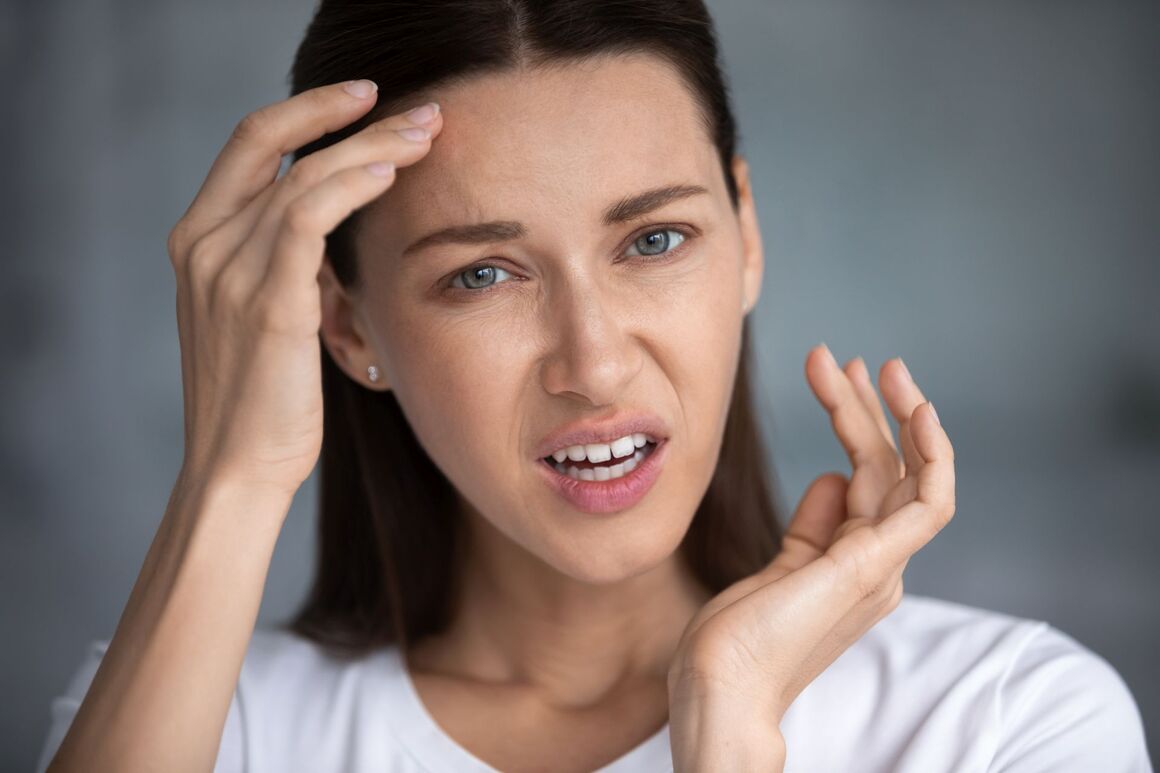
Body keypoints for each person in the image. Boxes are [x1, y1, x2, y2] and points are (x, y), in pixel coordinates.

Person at [36, 1, 1152, 771]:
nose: (594, 362)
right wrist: (233, 472)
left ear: (745, 233)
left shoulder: (1000, 721)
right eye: (481, 272)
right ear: (343, 320)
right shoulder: (195, 722)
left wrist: (727, 723)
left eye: (654, 239)